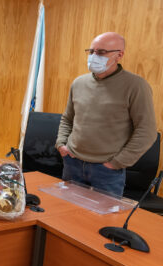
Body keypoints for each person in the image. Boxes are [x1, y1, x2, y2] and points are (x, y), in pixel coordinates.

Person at [56, 32, 157, 197]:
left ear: (119, 55)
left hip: (106, 171)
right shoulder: (79, 83)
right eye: (91, 51)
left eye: (101, 52)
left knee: (102, 221)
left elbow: (147, 131)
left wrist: (116, 163)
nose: (94, 56)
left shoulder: (136, 85)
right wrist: (61, 145)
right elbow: (68, 119)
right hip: (72, 162)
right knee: (66, 217)